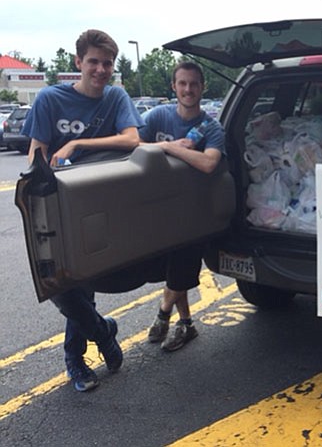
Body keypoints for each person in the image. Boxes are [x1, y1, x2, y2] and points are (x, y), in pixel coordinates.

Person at [22, 29, 144, 391]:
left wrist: (76, 141)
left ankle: (75, 363)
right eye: (93, 61)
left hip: (97, 204)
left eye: (107, 63)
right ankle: (103, 332)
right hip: (53, 205)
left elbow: (132, 139)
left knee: (82, 281)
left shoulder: (115, 98)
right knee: (59, 284)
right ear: (78, 62)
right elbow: (36, 152)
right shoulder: (49, 99)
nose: (101, 70)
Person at [142, 61, 226, 351]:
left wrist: (168, 148)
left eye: (194, 84)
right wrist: (167, 146)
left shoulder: (211, 128)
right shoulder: (156, 117)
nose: (188, 89)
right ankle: (186, 324)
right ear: (173, 87)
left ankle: (164, 313)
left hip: (194, 213)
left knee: (182, 269)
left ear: (203, 88)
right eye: (182, 83)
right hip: (159, 208)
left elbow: (209, 163)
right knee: (175, 269)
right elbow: (131, 146)